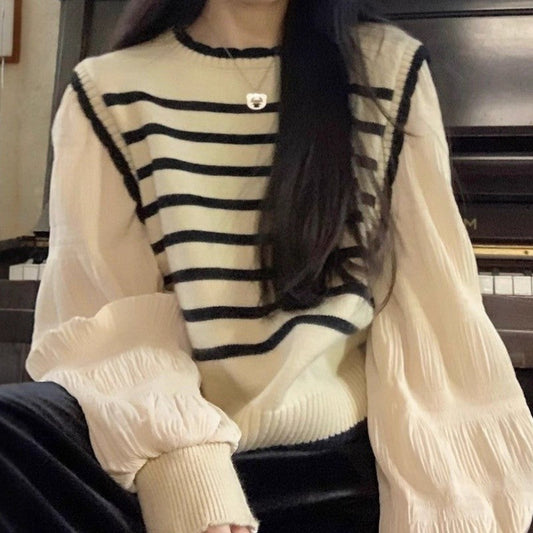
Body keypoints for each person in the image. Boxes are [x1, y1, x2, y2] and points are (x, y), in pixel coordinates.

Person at [1, 0, 532, 531]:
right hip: (165, 455)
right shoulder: (106, 90)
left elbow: (436, 320)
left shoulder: (388, 68)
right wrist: (193, 487)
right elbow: (108, 328)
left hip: (336, 465)